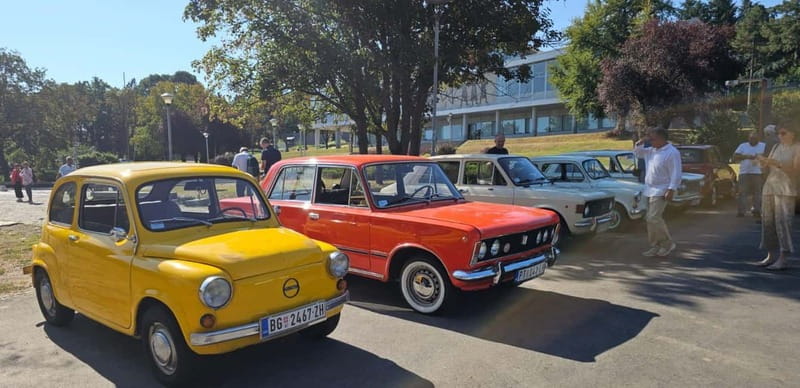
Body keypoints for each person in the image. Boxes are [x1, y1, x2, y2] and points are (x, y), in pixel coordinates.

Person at [755, 123, 800, 270]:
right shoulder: (775, 147)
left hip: (786, 189)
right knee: (768, 222)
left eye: (783, 133)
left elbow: (795, 170)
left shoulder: (797, 148)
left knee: (783, 223)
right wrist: (762, 162)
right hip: (770, 187)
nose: (780, 136)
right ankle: (770, 255)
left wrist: (778, 164)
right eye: (779, 134)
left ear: (792, 134)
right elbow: (768, 164)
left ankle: (783, 258)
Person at [634, 128, 682, 257]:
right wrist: (642, 140)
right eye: (650, 139)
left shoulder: (672, 152)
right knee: (650, 219)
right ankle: (655, 245)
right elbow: (638, 153)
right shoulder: (651, 151)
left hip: (662, 189)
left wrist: (671, 189)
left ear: (662, 139)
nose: (650, 141)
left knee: (653, 217)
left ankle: (667, 243)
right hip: (649, 189)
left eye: (653, 139)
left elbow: (676, 172)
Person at [733, 132, 766, 217]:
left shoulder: (763, 146)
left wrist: (760, 157)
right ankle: (741, 211)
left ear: (758, 139)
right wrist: (747, 157)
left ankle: (756, 210)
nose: (753, 140)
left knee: (757, 192)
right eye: (751, 138)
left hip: (758, 172)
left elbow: (768, 156)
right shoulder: (743, 146)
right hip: (744, 172)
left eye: (755, 139)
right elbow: (735, 156)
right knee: (742, 192)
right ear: (748, 138)